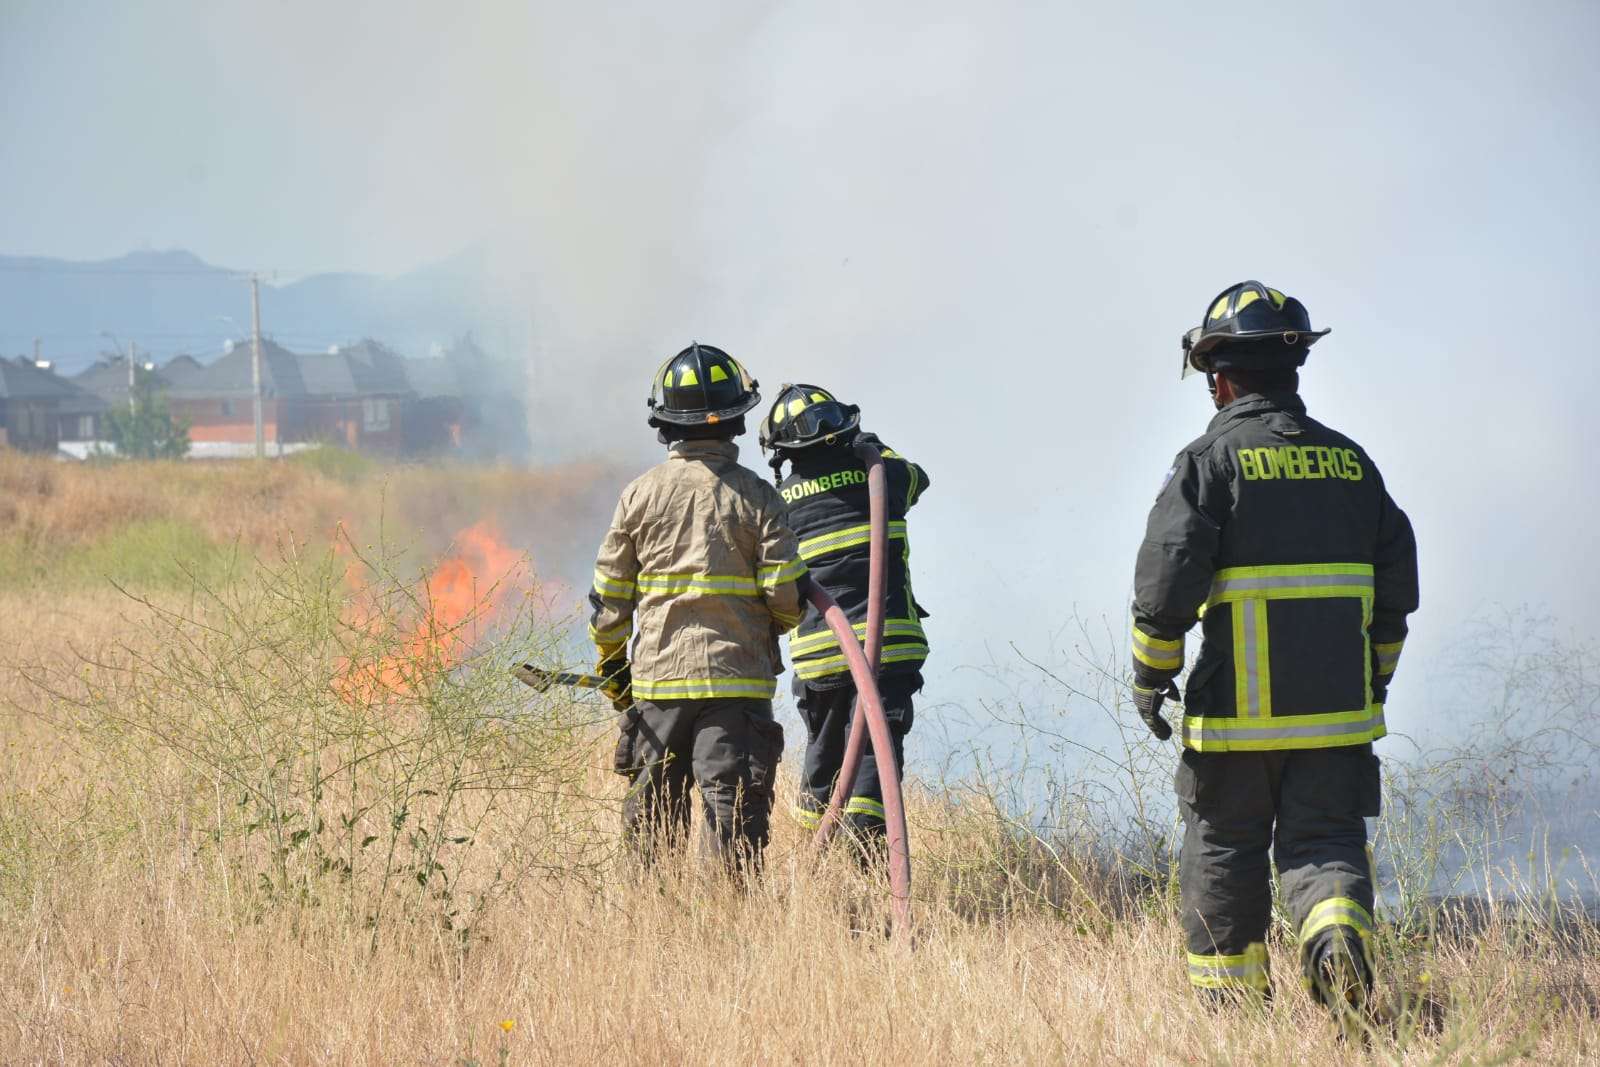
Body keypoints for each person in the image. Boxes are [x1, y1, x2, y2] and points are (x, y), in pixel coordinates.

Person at [1129, 281, 1418, 1017]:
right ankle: (1335, 944)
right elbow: (1394, 602)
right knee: (1326, 845)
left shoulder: (1208, 463)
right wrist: (1372, 684)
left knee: (1223, 848)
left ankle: (1235, 1018)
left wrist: (1150, 678)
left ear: (1220, 378)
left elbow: (1164, 592)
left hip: (1235, 725)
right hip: (1337, 721)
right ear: (1292, 371)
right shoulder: (1355, 466)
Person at [588, 343, 807, 873]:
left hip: (658, 687)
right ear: (736, 418)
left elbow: (609, 601)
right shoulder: (758, 497)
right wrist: (767, 624)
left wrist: (615, 670)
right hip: (736, 685)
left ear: (664, 423)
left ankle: (651, 933)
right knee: (732, 828)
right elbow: (787, 599)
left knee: (652, 831)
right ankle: (725, 935)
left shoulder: (638, 495)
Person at [758, 383, 930, 856]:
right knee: (875, 753)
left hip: (819, 657)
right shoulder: (885, 476)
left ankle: (815, 850)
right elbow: (920, 478)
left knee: (824, 755)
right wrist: (871, 445)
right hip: (889, 648)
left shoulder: (778, 501)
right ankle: (865, 856)